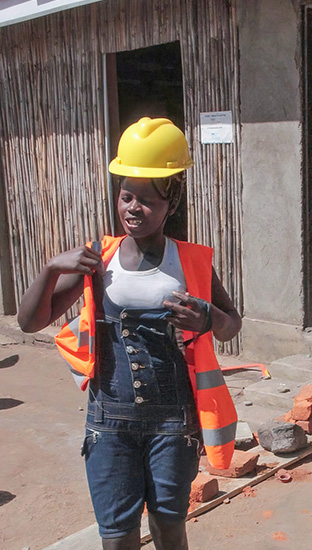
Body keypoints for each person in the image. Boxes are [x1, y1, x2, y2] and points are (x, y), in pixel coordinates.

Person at [19, 118, 242, 550]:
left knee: (168, 531)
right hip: (109, 423)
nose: (133, 208)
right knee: (117, 538)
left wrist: (208, 318)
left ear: (171, 202)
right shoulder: (99, 260)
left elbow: (232, 322)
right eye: (126, 197)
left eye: (146, 200)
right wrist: (50, 268)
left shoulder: (190, 262)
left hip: (173, 423)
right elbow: (31, 322)